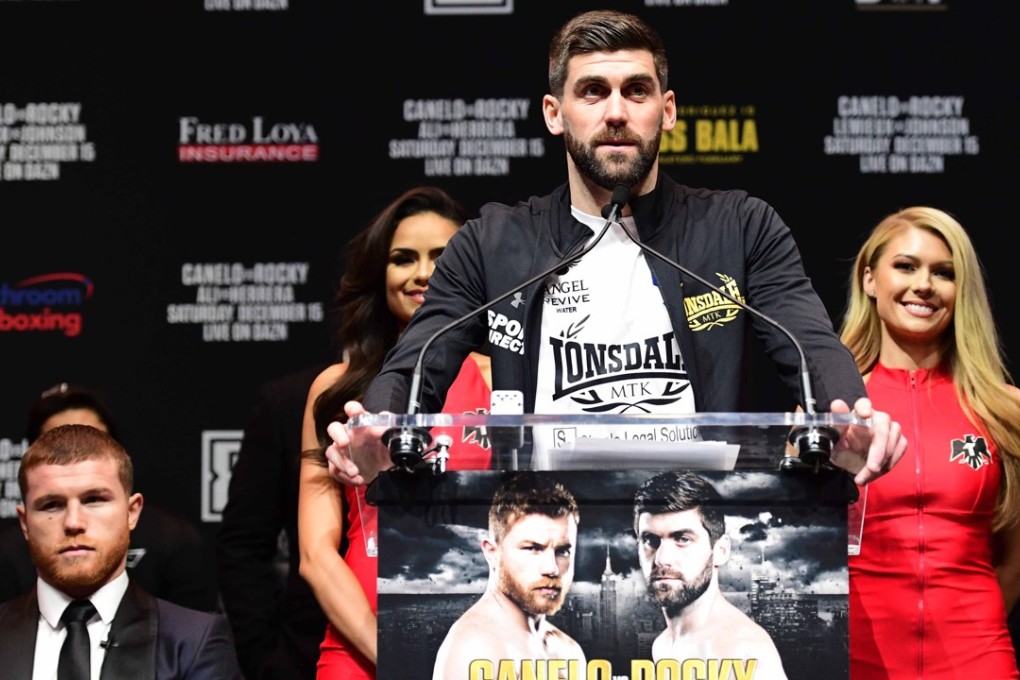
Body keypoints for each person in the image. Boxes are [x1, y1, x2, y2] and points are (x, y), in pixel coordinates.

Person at [323, 9, 905, 490]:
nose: (617, 113)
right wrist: (377, 423)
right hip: (547, 527)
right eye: (593, 92)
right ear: (555, 114)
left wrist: (848, 411)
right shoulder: (493, 241)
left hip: (699, 518)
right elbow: (414, 364)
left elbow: (810, 345)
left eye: (637, 91)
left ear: (668, 110)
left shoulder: (741, 226)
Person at [298, 185, 493, 679]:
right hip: (359, 650)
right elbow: (315, 554)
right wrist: (393, 658)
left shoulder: (505, 380)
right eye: (403, 259)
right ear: (379, 275)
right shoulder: (336, 388)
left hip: (482, 647)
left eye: (442, 258)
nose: (423, 273)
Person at [840, 206, 1020, 678]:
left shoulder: (1006, 409)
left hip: (977, 655)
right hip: (858, 656)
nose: (924, 285)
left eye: (944, 273)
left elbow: (1014, 557)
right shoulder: (829, 410)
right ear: (869, 279)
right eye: (905, 266)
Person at [0, 424, 242, 679]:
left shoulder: (193, 643)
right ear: (25, 523)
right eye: (51, 505)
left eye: (94, 500)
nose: (73, 522)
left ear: (132, 512)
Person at [0, 383, 219, 613]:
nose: (73, 522)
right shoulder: (7, 557)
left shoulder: (173, 541)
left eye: (92, 441)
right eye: (58, 444)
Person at [215, 363, 330, 680]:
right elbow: (243, 545)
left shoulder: (480, 394)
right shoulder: (296, 399)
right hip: (311, 656)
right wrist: (268, 660)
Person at [633, 470, 787, 679]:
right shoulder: (663, 644)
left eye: (683, 539)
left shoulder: (746, 654)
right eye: (650, 540)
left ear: (720, 551)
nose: (661, 558)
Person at [432, 472, 585, 680]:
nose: (552, 568)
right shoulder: (475, 650)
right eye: (533, 548)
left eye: (563, 551)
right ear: (492, 553)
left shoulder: (568, 650)